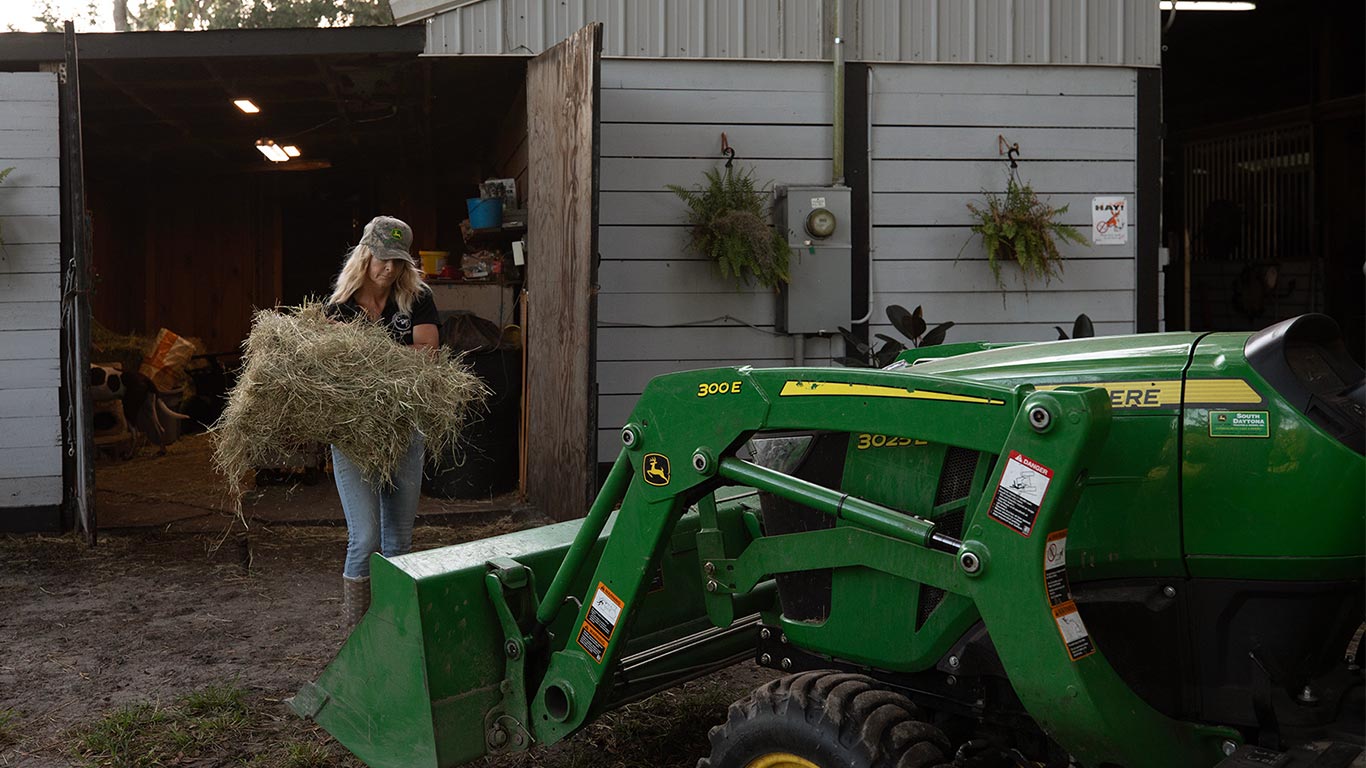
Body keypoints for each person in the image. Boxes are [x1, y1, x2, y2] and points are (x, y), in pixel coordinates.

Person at [324, 215, 440, 628]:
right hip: (353, 433)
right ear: (365, 254)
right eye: (382, 259)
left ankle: (394, 631)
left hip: (405, 427)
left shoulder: (417, 298)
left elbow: (428, 352)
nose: (389, 269)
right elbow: (338, 372)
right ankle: (357, 635)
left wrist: (371, 359)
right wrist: (394, 356)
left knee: (399, 542)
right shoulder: (338, 307)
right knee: (366, 539)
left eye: (397, 261)